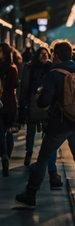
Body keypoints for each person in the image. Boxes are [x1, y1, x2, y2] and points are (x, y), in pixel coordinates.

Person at [16, 40, 75, 209]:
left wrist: (39, 96)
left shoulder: (54, 74)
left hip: (59, 125)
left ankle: (31, 193)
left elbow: (44, 101)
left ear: (57, 55)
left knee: (43, 159)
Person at [18, 46, 63, 188]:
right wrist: (23, 104)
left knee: (47, 136)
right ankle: (29, 153)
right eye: (41, 54)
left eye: (46, 54)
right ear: (37, 55)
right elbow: (24, 87)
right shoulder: (31, 67)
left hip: (46, 106)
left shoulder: (52, 68)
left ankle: (47, 166)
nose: (44, 56)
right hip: (34, 104)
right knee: (31, 131)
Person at [0, 42, 19, 177]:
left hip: (4, 104)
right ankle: (7, 157)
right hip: (10, 104)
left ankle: (4, 156)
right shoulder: (13, 68)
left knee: (2, 131)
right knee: (8, 131)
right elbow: (15, 85)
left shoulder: (9, 69)